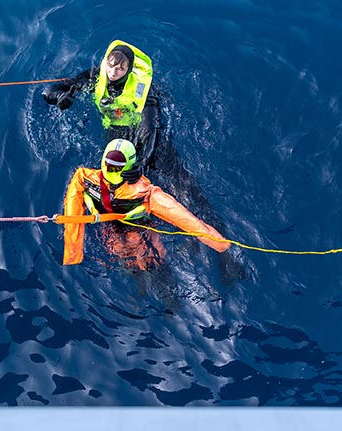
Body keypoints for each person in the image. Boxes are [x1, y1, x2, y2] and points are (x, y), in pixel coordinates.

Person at [61, 139, 230, 267]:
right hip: (113, 228)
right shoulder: (85, 178)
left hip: (137, 228)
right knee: (126, 256)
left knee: (147, 259)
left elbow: (187, 221)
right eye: (109, 164)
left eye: (116, 166)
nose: (111, 170)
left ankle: (164, 294)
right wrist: (73, 253)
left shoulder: (145, 192)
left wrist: (220, 245)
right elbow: (72, 212)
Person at [43, 40, 160, 183]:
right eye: (110, 66)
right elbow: (48, 91)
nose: (113, 73)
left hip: (142, 128)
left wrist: (143, 162)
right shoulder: (96, 76)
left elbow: (150, 129)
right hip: (116, 128)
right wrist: (60, 97)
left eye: (120, 69)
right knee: (116, 175)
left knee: (159, 164)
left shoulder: (143, 89)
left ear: (128, 70)